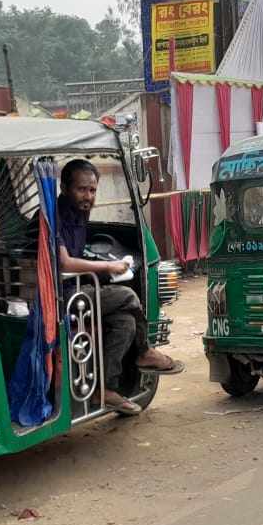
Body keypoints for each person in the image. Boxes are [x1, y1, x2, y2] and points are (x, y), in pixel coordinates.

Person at [56, 159, 183, 416]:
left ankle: (106, 389)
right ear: (65, 188)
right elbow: (63, 262)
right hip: (63, 296)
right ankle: (145, 350)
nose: (88, 196)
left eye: (92, 190)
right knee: (127, 295)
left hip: (78, 288)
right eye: (82, 189)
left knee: (125, 322)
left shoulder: (80, 213)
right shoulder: (55, 214)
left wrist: (101, 263)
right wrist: (107, 268)